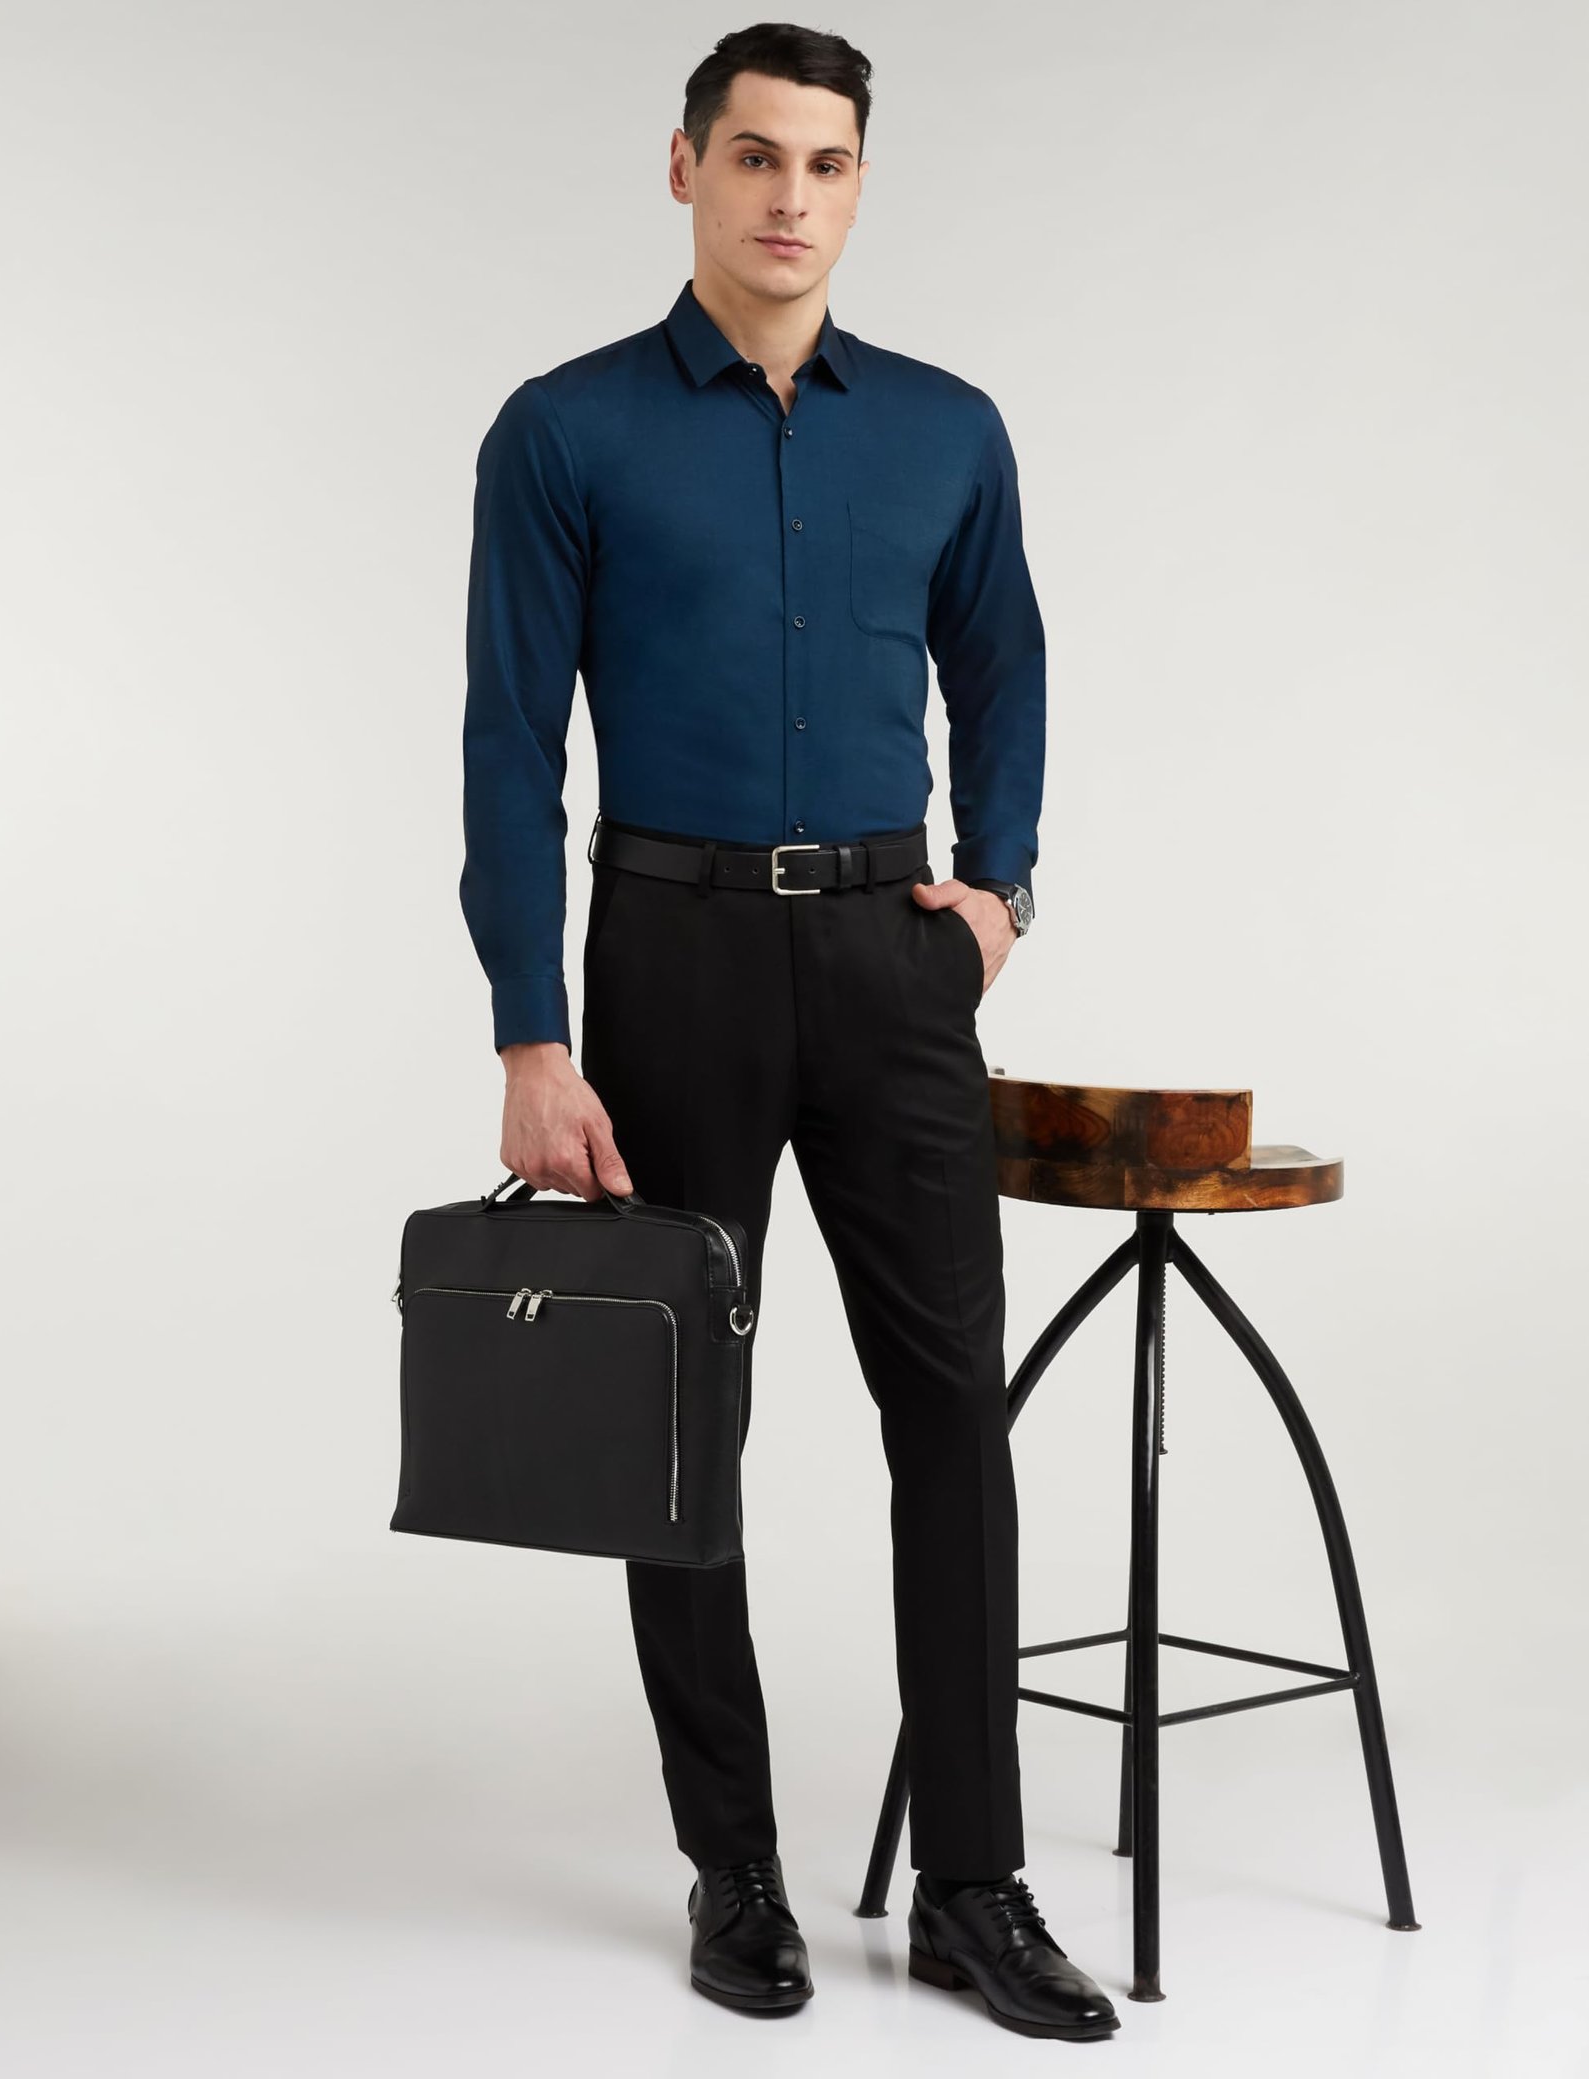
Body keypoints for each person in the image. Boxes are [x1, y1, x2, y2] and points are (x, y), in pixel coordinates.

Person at [456, 20, 1119, 2043]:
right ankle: (731, 1867)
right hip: (666, 959)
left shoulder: (945, 429)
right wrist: (532, 1034)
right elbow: (508, 746)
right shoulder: (563, 431)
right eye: (753, 156)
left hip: (894, 966)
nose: (787, 197)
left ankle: (974, 1884)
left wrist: (998, 888)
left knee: (954, 1417)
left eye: (824, 163)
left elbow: (1006, 664)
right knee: (684, 1428)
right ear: (685, 168)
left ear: (857, 186)